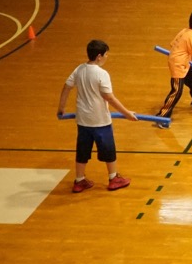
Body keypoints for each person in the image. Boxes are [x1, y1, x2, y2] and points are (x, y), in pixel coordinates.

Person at [57, 39, 137, 193]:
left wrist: (61, 108)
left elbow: (67, 87)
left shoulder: (79, 69)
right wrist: (127, 113)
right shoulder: (102, 74)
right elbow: (109, 97)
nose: (107, 57)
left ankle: (79, 180)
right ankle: (114, 178)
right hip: (100, 120)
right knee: (108, 149)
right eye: (106, 55)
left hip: (83, 120)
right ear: (99, 56)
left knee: (82, 151)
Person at [157, 11, 192, 125]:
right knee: (177, 91)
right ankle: (162, 117)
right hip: (178, 65)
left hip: (184, 62)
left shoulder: (184, 31)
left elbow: (173, 45)